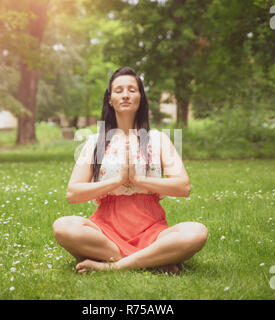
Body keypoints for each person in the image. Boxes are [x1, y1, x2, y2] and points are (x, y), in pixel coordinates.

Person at [52, 66, 208, 274]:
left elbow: (183, 187)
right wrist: (117, 180)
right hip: (105, 230)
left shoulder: (158, 139)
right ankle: (154, 260)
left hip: (152, 229)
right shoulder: (94, 142)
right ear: (110, 99)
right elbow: (73, 193)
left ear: (141, 97)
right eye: (118, 90)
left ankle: (114, 266)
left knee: (196, 232)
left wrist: (138, 179)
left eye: (132, 90)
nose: (125, 95)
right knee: (63, 226)